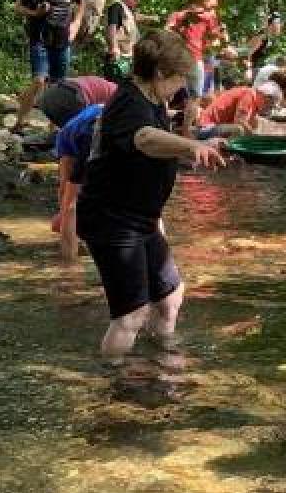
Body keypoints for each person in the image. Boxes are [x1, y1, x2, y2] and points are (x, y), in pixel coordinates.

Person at [76, 31, 227, 362]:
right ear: (159, 73)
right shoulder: (129, 102)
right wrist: (191, 145)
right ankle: (112, 382)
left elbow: (153, 150)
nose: (181, 87)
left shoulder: (155, 101)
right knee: (131, 314)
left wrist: (197, 149)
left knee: (171, 296)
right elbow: (144, 140)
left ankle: (161, 359)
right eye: (178, 78)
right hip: (111, 220)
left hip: (142, 218)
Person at [13, 0, 86, 131]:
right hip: (39, 37)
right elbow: (18, 7)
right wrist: (35, 13)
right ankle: (20, 121)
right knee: (39, 79)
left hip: (62, 40)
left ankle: (53, 129)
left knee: (58, 84)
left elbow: (81, 3)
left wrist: (76, 24)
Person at [166, 0, 226, 136]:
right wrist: (219, 36)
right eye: (212, 4)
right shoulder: (209, 17)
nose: (214, 7)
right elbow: (215, 38)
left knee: (166, 92)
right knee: (195, 96)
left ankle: (162, 124)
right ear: (204, 0)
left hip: (177, 57)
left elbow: (166, 31)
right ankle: (186, 130)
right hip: (193, 59)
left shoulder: (177, 15)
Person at [51, 104, 102, 263]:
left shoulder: (65, 137)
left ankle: (69, 266)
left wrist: (63, 214)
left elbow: (65, 189)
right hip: (116, 127)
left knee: (70, 204)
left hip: (92, 130)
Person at [196, 76, 286, 139]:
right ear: (265, 97)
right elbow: (239, 122)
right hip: (206, 128)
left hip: (214, 127)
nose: (269, 107)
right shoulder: (248, 96)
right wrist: (255, 138)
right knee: (239, 129)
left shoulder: (253, 97)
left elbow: (252, 123)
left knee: (254, 123)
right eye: (270, 104)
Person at [104, 0, 153, 82]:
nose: (137, 0)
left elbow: (137, 17)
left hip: (127, 55)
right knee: (115, 83)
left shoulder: (128, 10)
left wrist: (153, 19)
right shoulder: (116, 7)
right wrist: (113, 47)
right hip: (118, 55)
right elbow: (112, 27)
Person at [35, 75, 117, 130]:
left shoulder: (109, 86)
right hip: (72, 97)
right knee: (82, 136)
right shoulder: (119, 95)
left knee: (66, 133)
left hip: (48, 97)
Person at [246, 12, 283, 79]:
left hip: (266, 71)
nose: (280, 25)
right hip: (257, 71)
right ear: (271, 25)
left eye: (279, 23)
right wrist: (248, 69)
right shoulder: (262, 37)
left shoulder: (271, 38)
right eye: (278, 23)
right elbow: (249, 53)